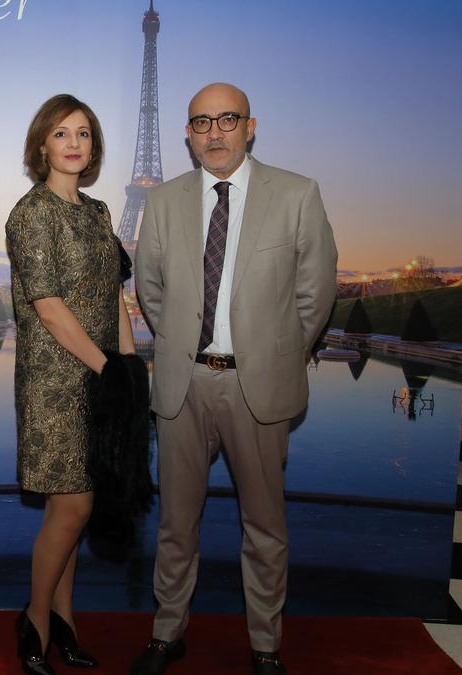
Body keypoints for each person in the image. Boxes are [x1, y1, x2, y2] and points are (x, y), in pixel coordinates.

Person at [131, 83, 338, 675]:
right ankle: (168, 633)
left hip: (257, 388)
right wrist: (183, 345)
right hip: (185, 385)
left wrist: (274, 355)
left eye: (227, 119)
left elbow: (315, 293)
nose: (215, 132)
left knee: (265, 527)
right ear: (187, 135)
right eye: (202, 122)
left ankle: (266, 645)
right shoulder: (163, 202)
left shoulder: (297, 194)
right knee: (176, 524)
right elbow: (151, 290)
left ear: (251, 126)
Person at [4, 94, 137, 675]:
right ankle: (35, 620)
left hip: (102, 378)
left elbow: (114, 296)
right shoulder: (30, 213)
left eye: (83, 133)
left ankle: (64, 620)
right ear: (42, 145)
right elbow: (50, 308)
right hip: (55, 382)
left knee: (71, 509)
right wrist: (109, 370)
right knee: (75, 504)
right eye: (61, 133)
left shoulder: (100, 212)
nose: (74, 143)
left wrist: (129, 367)